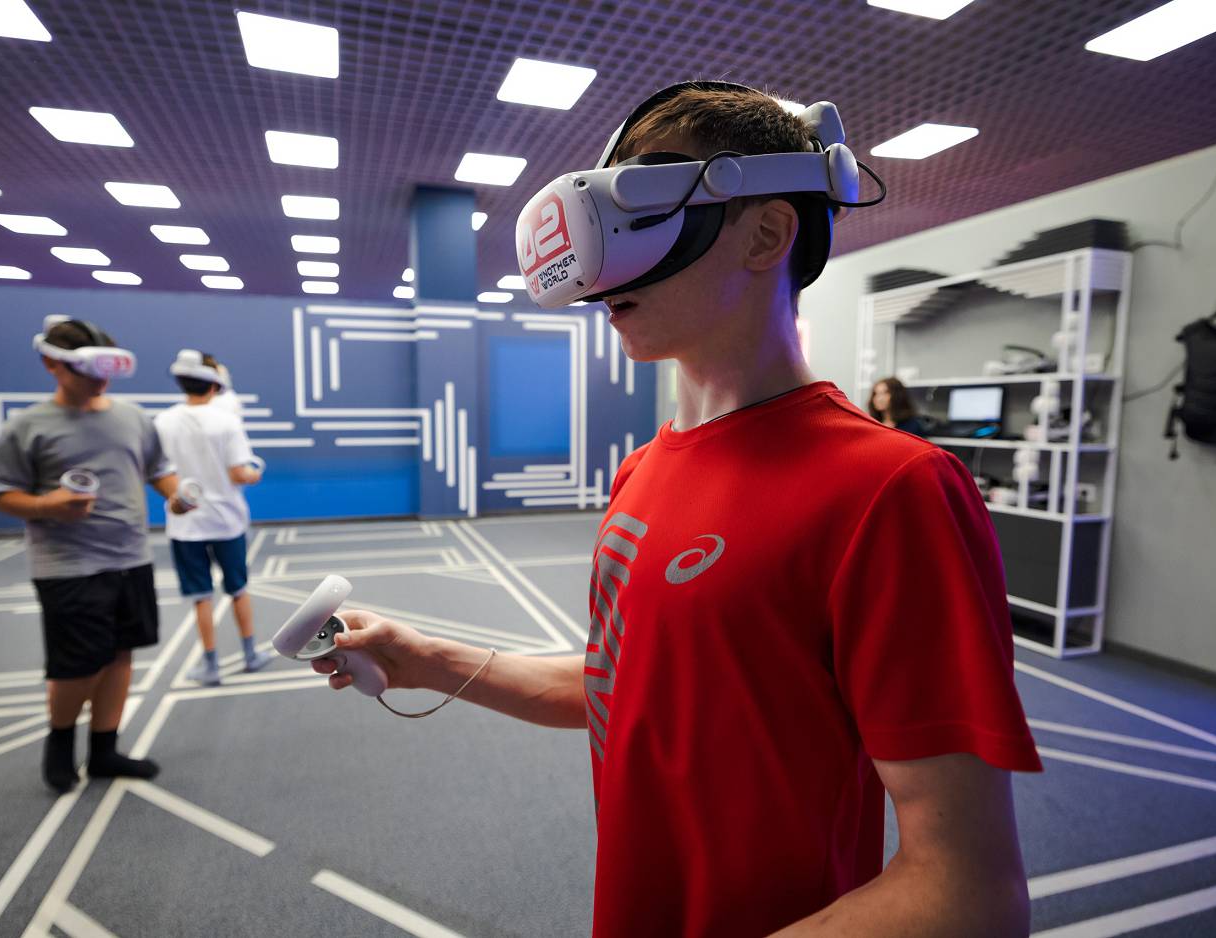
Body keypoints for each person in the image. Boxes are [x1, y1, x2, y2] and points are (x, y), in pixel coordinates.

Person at [313, 82, 1041, 937]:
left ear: (767, 233)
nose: (608, 270)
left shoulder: (892, 488)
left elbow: (968, 894)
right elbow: (626, 686)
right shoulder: (643, 471)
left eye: (645, 209)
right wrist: (426, 657)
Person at [0, 316, 192, 794]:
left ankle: (104, 750)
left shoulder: (133, 417)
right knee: (77, 665)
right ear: (52, 364)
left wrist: (176, 496)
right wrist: (46, 505)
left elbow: (158, 469)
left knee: (119, 656)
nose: (100, 382)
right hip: (67, 567)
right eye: (88, 372)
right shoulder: (27, 426)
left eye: (106, 372)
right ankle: (59, 747)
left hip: (131, 558)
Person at [153, 349, 268, 686]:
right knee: (239, 588)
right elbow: (239, 473)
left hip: (185, 525)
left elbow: (159, 472)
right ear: (215, 385)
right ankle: (250, 654)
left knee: (200, 596)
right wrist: (255, 473)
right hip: (227, 521)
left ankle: (210, 664)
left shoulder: (162, 422)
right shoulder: (227, 421)